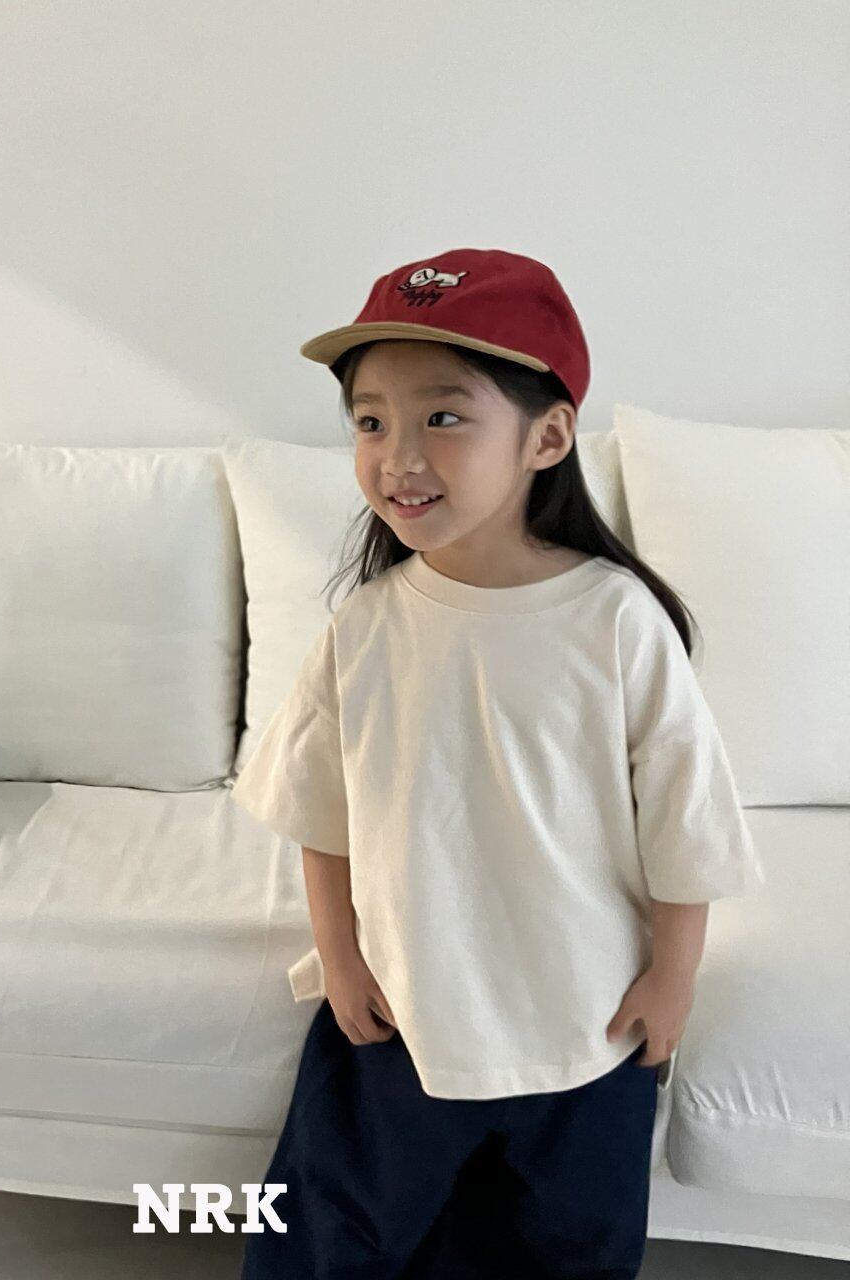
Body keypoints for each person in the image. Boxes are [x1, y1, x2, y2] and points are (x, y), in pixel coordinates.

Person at [229, 248, 766, 1279]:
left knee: (570, 1246)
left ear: (546, 436)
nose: (397, 456)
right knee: (340, 1235)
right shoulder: (367, 625)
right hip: (402, 1012)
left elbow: (685, 820)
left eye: (442, 415)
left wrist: (673, 977)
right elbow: (320, 813)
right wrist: (340, 957)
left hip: (583, 1020)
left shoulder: (614, 621)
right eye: (369, 421)